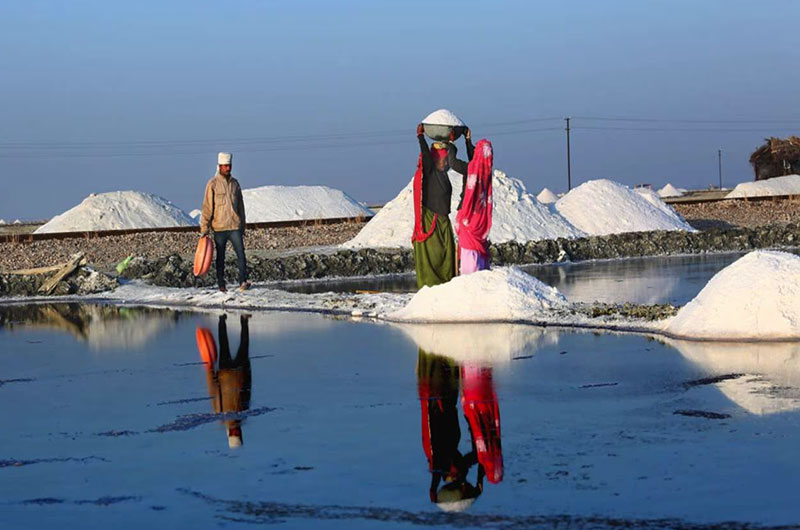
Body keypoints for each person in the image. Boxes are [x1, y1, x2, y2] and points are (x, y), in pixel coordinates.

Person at [412, 125, 474, 288]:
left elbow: (469, 166)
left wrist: (466, 140)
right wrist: (420, 137)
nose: (446, 161)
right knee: (434, 255)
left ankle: (446, 285)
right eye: (444, 158)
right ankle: (432, 287)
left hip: (442, 219)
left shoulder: (443, 175)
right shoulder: (430, 170)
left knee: (447, 254)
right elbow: (426, 155)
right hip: (431, 220)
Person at [200, 152, 250, 292]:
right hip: (219, 228)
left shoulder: (235, 184)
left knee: (241, 253)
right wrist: (204, 228)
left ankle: (243, 281)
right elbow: (207, 207)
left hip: (235, 226)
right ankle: (221, 285)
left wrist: (243, 225)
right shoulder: (213, 184)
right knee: (220, 257)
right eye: (225, 166)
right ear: (220, 166)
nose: (228, 168)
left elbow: (240, 206)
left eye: (229, 166)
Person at [203, 314, 252, 449]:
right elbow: (213, 390)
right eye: (237, 433)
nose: (236, 430)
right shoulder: (222, 416)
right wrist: (209, 370)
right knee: (224, 344)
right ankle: (222, 319)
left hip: (237, 373)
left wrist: (248, 369)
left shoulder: (242, 415)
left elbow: (247, 389)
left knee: (241, 344)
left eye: (235, 433)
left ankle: (243, 319)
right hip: (226, 374)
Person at [455, 139, 494, 275]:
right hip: (481, 220)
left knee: (470, 259)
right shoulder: (487, 172)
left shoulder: (473, 170)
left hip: (470, 219)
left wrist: (450, 145)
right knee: (478, 256)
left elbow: (469, 197)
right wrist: (468, 141)